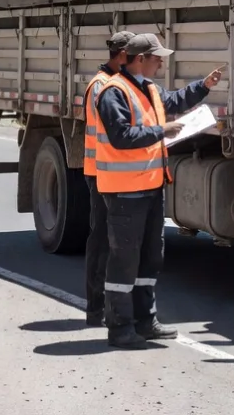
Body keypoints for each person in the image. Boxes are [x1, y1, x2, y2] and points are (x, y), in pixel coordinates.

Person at [94, 33, 222, 348]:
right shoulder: (114, 92)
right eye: (157, 58)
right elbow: (121, 136)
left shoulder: (148, 88)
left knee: (150, 257)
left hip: (150, 188)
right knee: (125, 260)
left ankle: (145, 321)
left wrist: (203, 86)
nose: (161, 64)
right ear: (140, 59)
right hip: (125, 192)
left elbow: (174, 102)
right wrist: (161, 131)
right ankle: (120, 328)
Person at [82, 30, 134, 328]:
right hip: (101, 172)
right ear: (123, 55)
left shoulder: (114, 83)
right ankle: (95, 308)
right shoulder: (102, 86)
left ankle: (107, 307)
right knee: (102, 241)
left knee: (111, 241)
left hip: (109, 171)